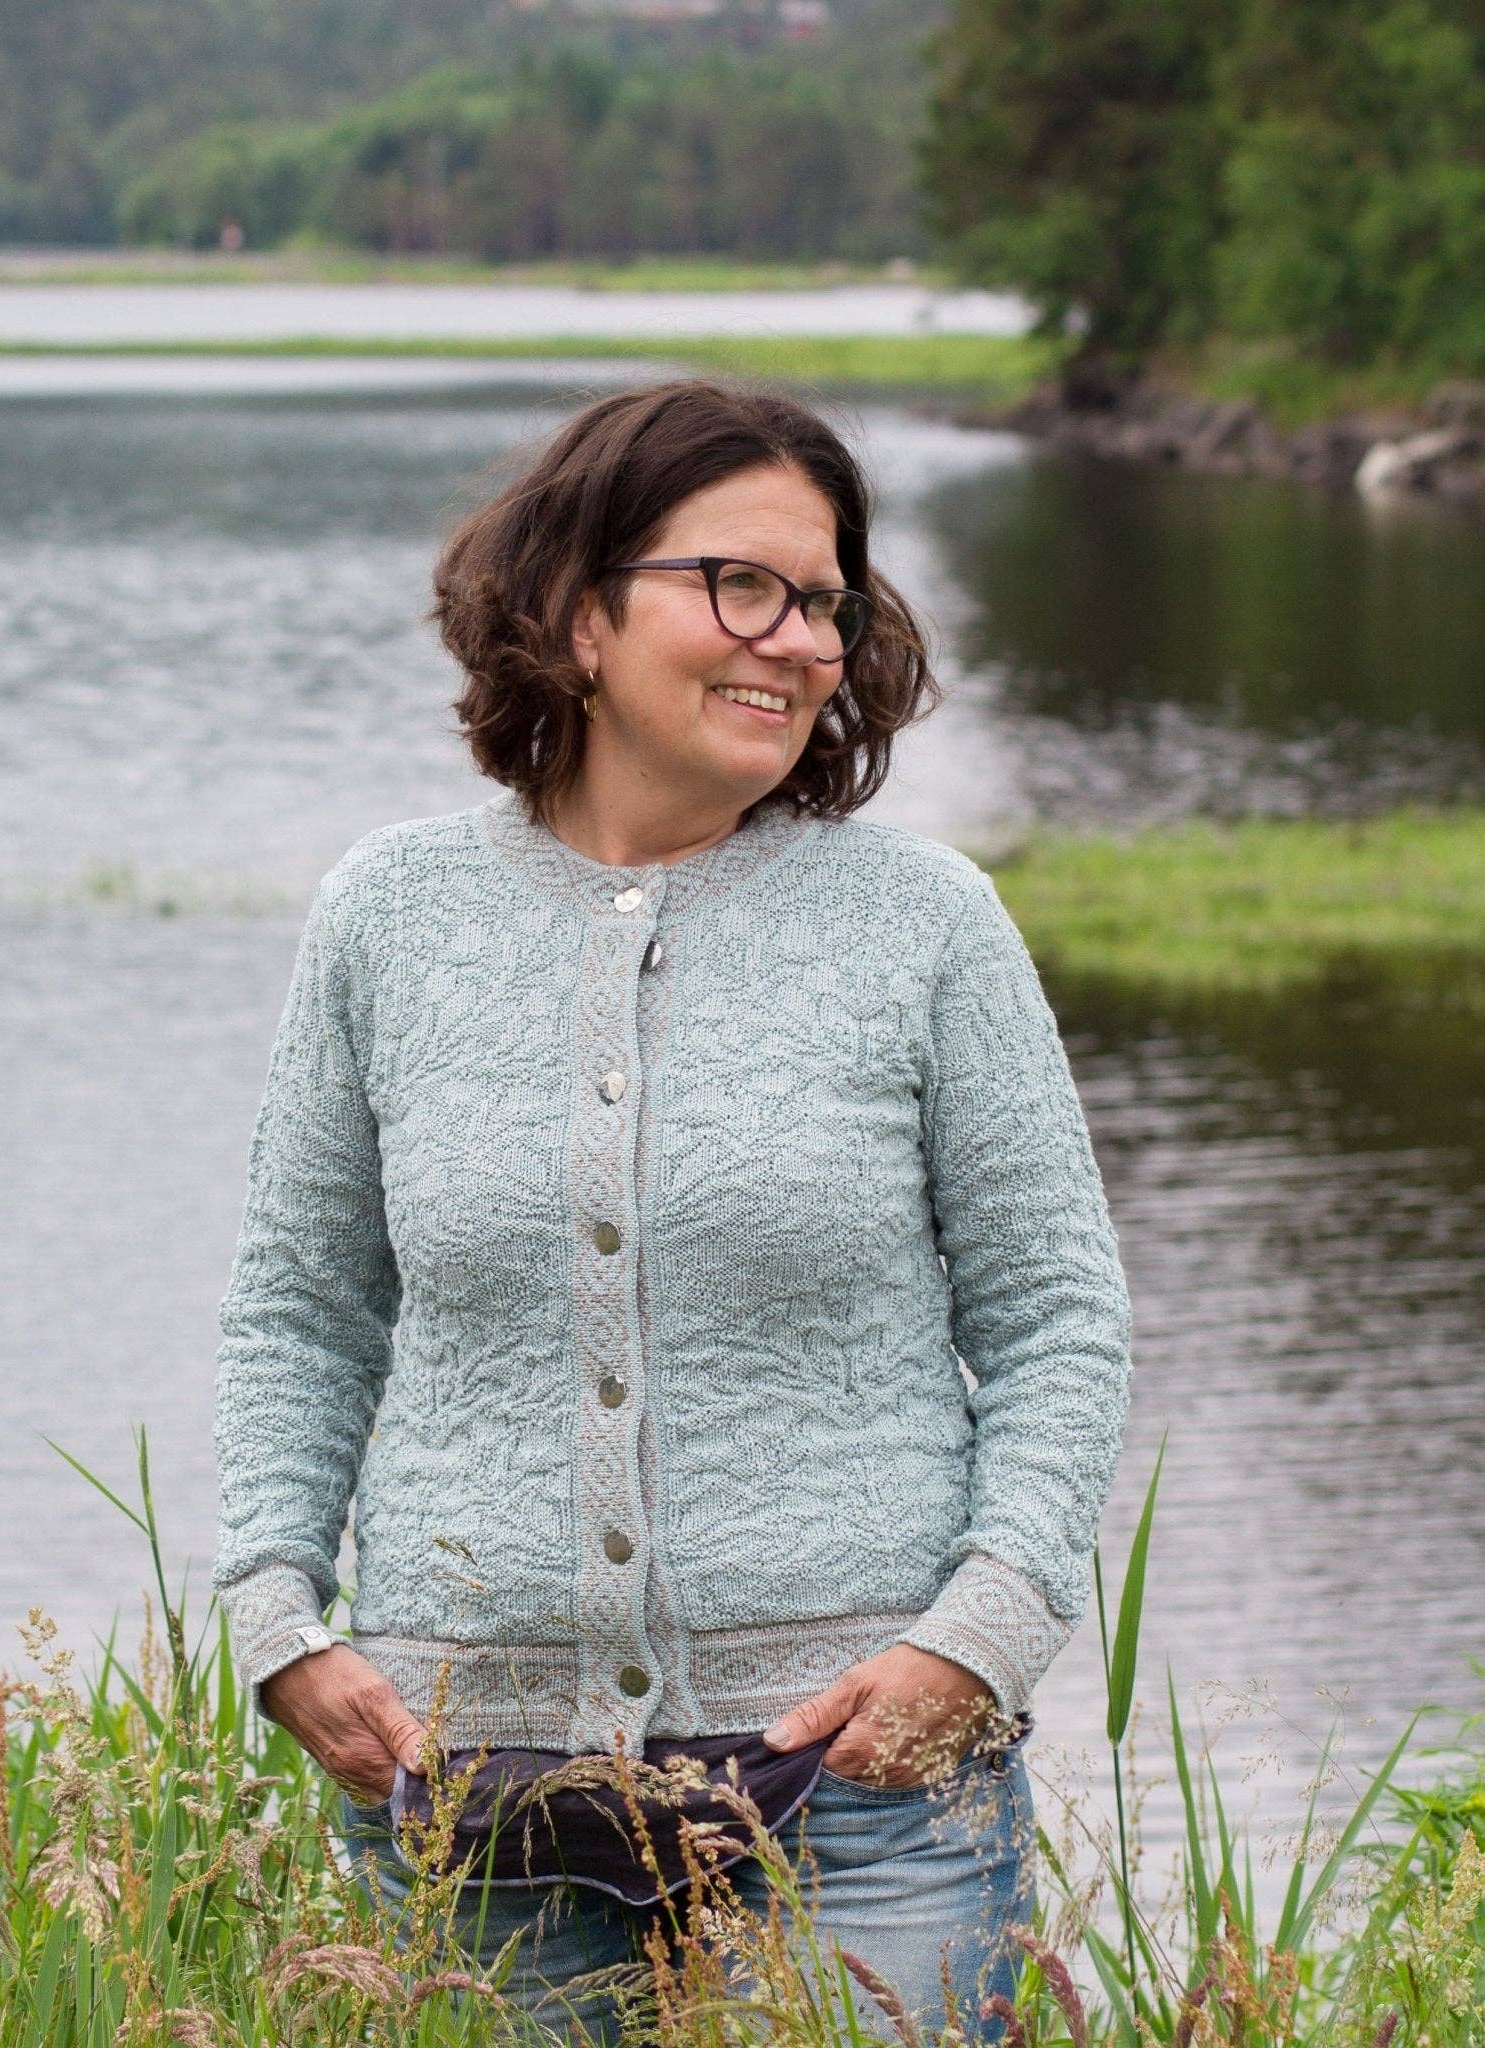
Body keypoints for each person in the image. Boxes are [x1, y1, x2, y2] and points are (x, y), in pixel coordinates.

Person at [210, 377, 1133, 2043]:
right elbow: (300, 1308)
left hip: (860, 1790)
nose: (798, 641)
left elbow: (1060, 1318)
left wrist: (979, 1641)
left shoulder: (920, 924)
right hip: (470, 1792)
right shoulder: (389, 916)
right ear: (575, 612)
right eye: (745, 586)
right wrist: (279, 1620)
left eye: (829, 604)